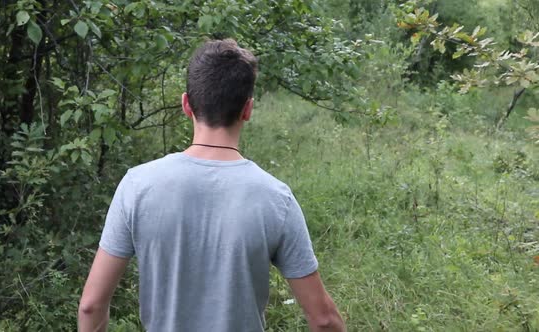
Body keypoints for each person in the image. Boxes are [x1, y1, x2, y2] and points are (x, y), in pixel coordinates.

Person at [78, 39, 346, 332]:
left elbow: (91, 305)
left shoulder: (138, 186)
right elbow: (323, 320)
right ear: (248, 110)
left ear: (186, 104)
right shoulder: (275, 198)